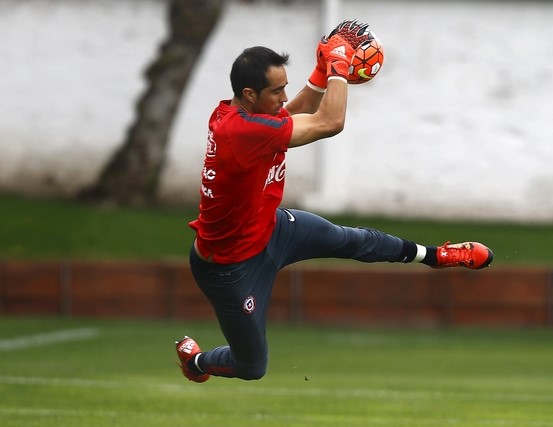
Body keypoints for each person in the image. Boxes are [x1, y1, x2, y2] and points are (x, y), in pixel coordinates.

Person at [175, 20, 493, 383]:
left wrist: (321, 69)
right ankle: (196, 363)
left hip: (271, 229)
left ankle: (436, 256)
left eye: (285, 87)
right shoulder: (241, 132)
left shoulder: (245, 113)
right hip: (230, 268)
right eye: (276, 91)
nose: (283, 97)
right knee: (251, 367)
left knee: (352, 240)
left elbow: (295, 112)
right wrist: (340, 64)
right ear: (249, 94)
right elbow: (329, 122)